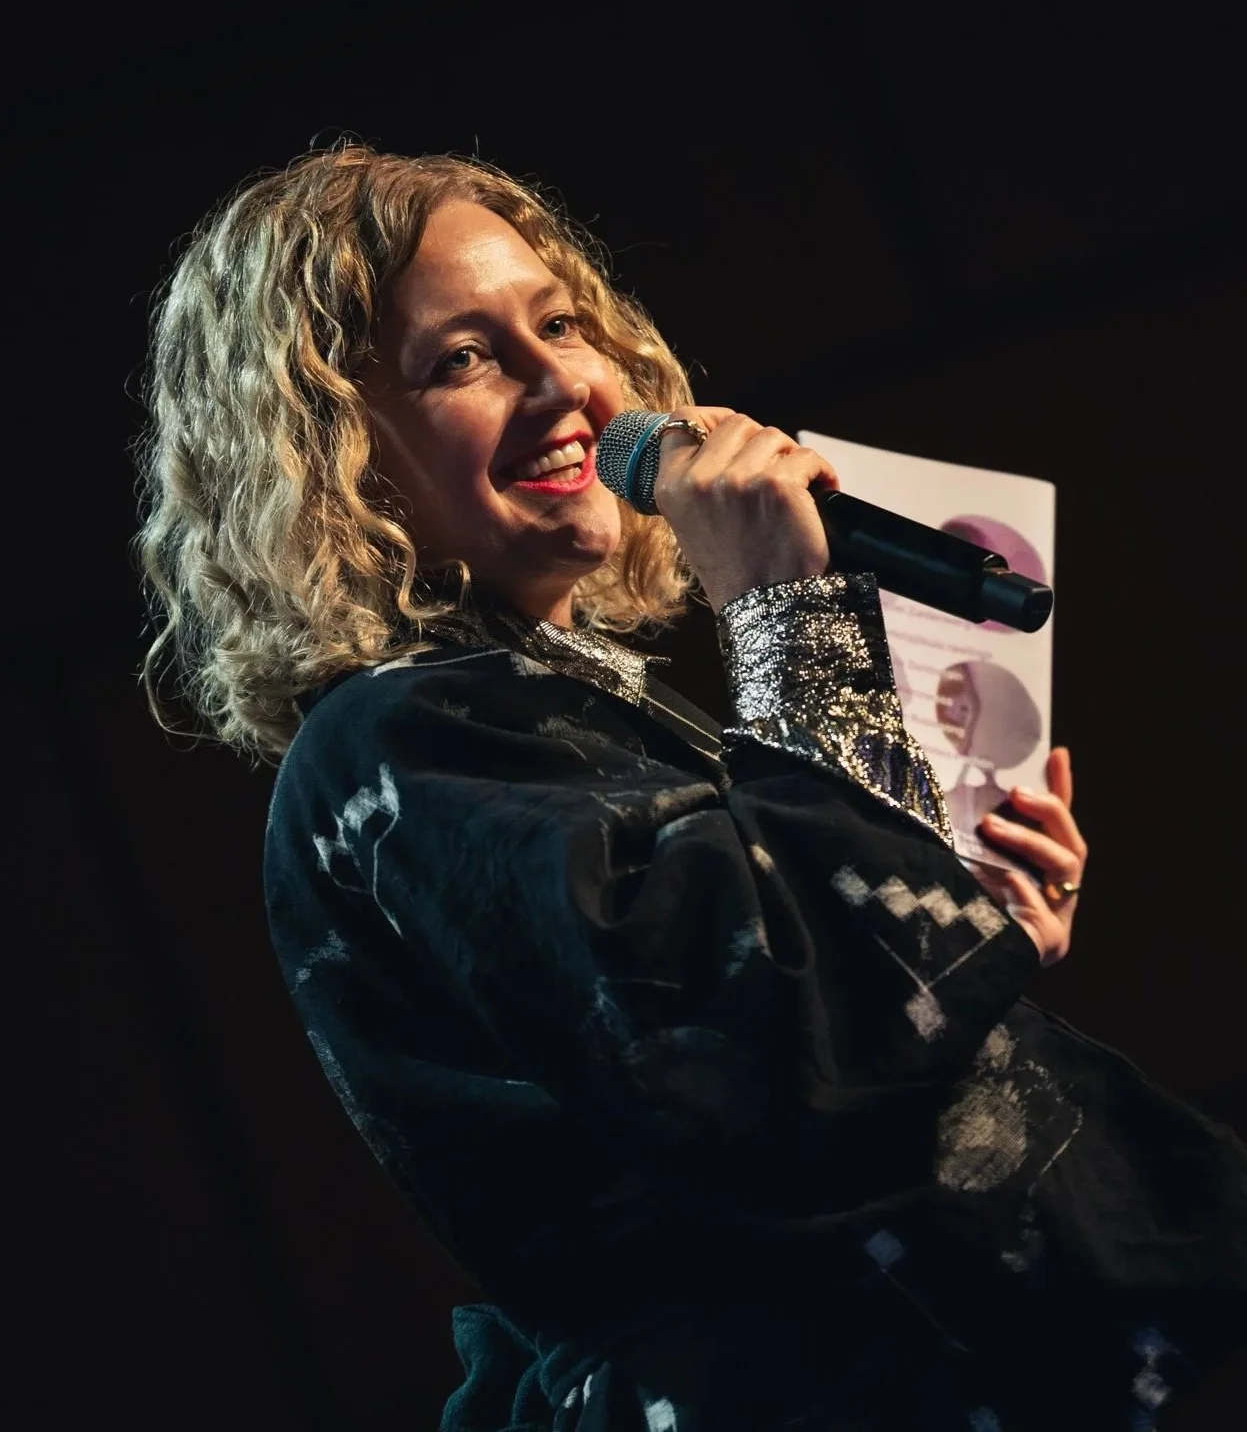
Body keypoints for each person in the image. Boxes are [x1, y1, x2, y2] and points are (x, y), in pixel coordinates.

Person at [134, 144, 1247, 1431]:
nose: (566, 380)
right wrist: (785, 614)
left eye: (557, 320)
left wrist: (962, 928)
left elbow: (828, 1023)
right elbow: (772, 1068)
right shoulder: (397, 740)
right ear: (330, 451)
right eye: (463, 356)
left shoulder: (559, 702)